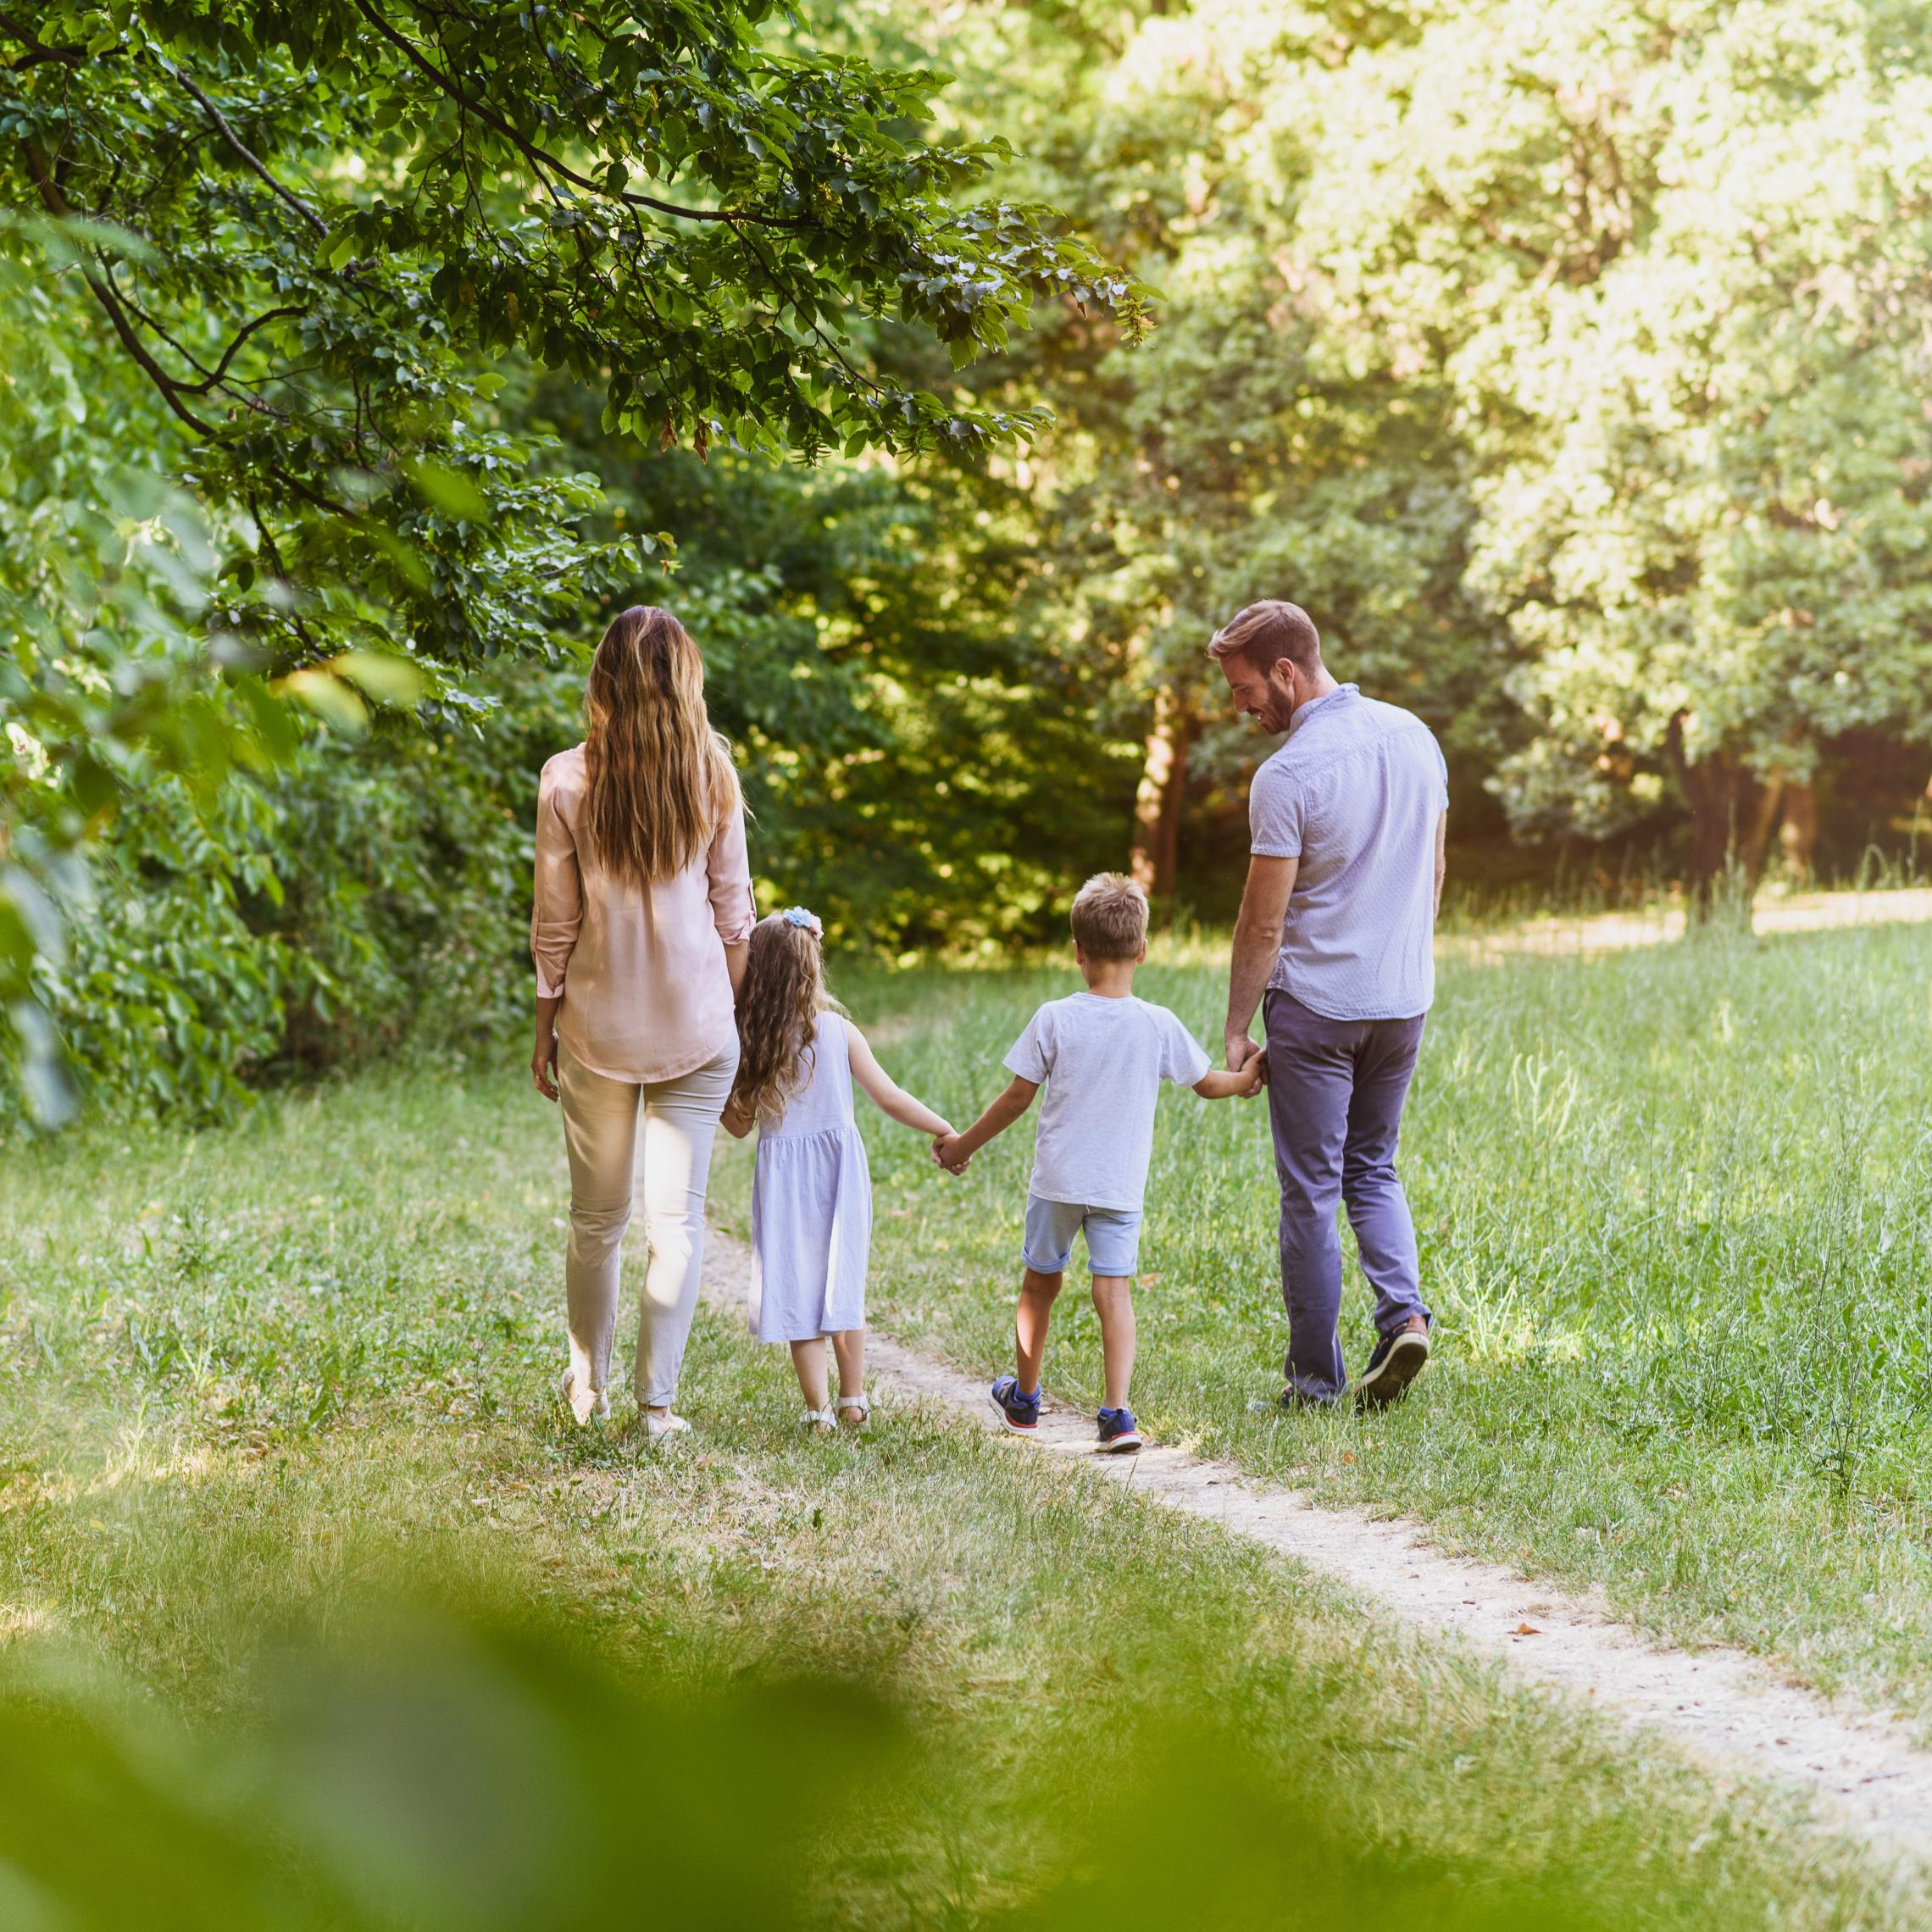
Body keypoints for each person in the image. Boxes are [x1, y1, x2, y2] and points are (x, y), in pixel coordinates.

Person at [1211, 599, 1448, 1410]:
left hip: (1317, 1009)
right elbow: (1434, 876)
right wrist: (1409, 965)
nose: (1241, 708)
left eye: (1245, 689)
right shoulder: (1415, 736)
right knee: (1373, 1167)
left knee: (1310, 1190)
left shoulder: (1287, 777)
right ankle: (1405, 1315)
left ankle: (1314, 1383)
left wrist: (1239, 1029)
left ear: (1286, 671)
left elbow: (1263, 921)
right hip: (1402, 998)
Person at [529, 605, 756, 1443]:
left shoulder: (565, 779)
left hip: (597, 1028)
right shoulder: (713, 776)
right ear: (685, 677)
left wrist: (544, 1024)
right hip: (698, 1027)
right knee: (677, 1226)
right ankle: (655, 1409)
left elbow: (556, 923)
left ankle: (586, 1391)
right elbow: (735, 919)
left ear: (605, 680)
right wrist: (739, 1026)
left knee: (597, 1222)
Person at [935, 873, 1261, 1452]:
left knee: (1040, 1286)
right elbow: (1208, 1083)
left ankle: (1025, 1401)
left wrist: (962, 1146)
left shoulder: (1055, 1018)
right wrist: (1249, 1078)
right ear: (1142, 952)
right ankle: (1116, 1415)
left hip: (1057, 1183)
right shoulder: (1157, 1023)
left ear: (1078, 952)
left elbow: (1016, 1098)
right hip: (1118, 1187)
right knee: (1114, 1293)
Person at [722, 908, 958, 1430]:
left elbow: (738, 1127)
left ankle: (818, 1410)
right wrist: (945, 1128)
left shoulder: (752, 1045)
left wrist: (719, 1082)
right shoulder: (838, 1031)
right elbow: (891, 1098)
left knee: (799, 1289)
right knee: (841, 1284)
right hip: (838, 1175)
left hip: (784, 1181)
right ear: (812, 966)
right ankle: (854, 1401)